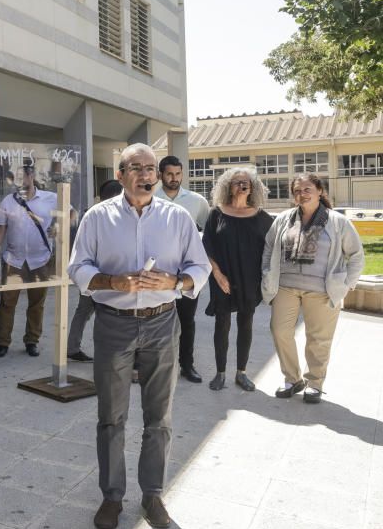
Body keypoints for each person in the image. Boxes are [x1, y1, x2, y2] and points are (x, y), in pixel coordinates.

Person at [68, 143, 211, 529]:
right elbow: (77, 267)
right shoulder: (97, 218)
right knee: (111, 418)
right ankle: (112, 497)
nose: (146, 175)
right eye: (136, 167)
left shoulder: (177, 218)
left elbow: (200, 266)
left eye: (150, 168)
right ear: (121, 175)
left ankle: (152, 494)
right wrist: (110, 281)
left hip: (162, 323)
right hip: (113, 323)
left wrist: (177, 281)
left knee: (159, 417)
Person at [261, 173, 364, 403]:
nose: (302, 194)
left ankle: (315, 383)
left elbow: (356, 255)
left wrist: (346, 284)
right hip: (285, 287)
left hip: (322, 290)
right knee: (280, 331)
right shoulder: (284, 219)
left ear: (319, 191)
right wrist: (267, 273)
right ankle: (292, 378)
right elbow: (269, 247)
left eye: (307, 189)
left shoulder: (337, 222)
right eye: (297, 190)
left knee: (318, 338)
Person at [202, 168, 274, 392]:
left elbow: (271, 251)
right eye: (236, 182)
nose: (241, 185)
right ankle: (220, 373)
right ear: (227, 187)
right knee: (221, 324)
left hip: (249, 279)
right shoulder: (217, 214)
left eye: (245, 182)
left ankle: (241, 373)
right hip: (222, 277)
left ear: (253, 187)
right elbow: (207, 246)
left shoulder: (262, 217)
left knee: (246, 324)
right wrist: (217, 273)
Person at [154, 155, 210, 384]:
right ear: (160, 175)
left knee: (187, 320)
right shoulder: (149, 198)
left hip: (185, 274)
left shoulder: (197, 201)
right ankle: (152, 365)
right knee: (154, 321)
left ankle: (187, 364)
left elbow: (209, 233)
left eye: (178, 174)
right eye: (169, 174)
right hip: (156, 272)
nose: (174, 179)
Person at [0, 161, 57, 358]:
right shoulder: (7, 201)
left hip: (41, 260)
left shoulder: (50, 198)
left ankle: (32, 341)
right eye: (16, 178)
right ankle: (3, 342)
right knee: (7, 302)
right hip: (14, 260)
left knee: (37, 303)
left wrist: (59, 226)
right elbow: (1, 230)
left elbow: (71, 212)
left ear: (32, 176)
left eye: (23, 177)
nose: (20, 181)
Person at [66, 179, 124, 363]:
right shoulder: (105, 217)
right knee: (109, 316)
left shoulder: (90, 215)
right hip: (101, 277)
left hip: (91, 275)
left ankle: (72, 347)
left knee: (83, 311)